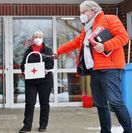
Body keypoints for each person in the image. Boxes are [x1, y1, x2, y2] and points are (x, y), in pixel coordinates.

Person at [53, 1, 132, 133]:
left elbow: (123, 37)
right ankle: (105, 130)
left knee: (114, 101)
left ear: (93, 10)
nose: (82, 15)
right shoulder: (87, 29)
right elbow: (74, 43)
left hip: (110, 69)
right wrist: (58, 52)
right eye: (81, 13)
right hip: (95, 70)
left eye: (84, 12)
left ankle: (128, 129)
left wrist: (105, 46)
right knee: (100, 104)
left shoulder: (110, 19)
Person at [19, 31, 54, 133]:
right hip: (31, 81)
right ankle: (27, 126)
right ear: (33, 39)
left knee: (44, 103)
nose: (37, 38)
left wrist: (46, 69)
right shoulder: (28, 50)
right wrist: (24, 70)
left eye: (39, 37)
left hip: (45, 81)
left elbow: (50, 63)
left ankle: (43, 125)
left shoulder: (47, 50)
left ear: (42, 38)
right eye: (36, 37)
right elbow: (23, 63)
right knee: (29, 103)